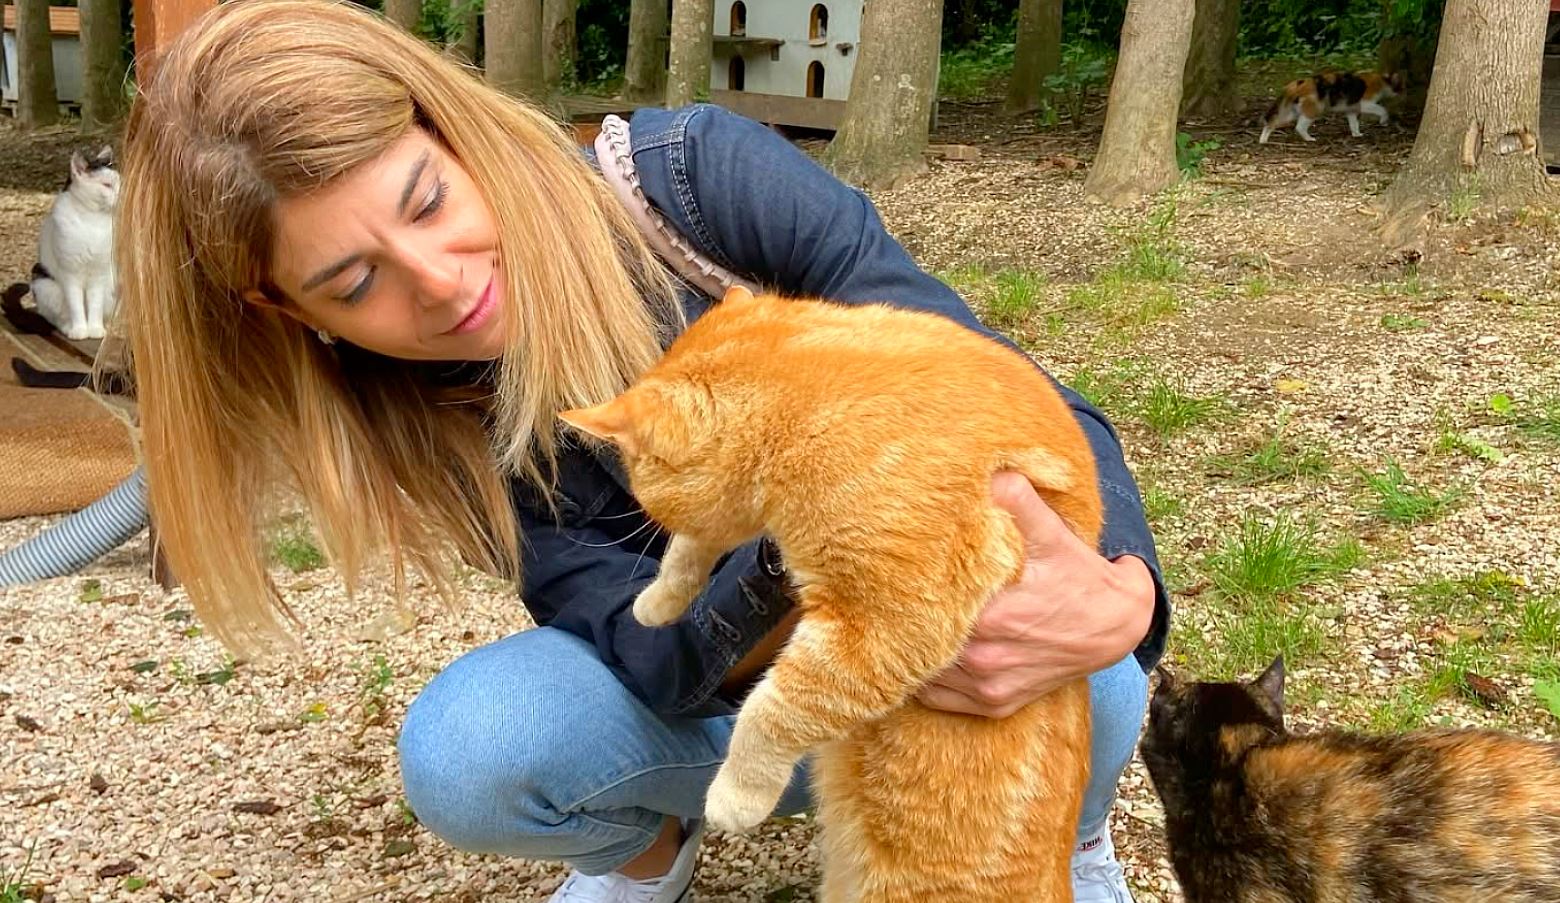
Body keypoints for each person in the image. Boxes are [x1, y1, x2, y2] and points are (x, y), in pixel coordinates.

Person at [118, 2, 1171, 901]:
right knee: (474, 751)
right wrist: (811, 541)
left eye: (429, 201)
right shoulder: (415, 407)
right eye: (356, 284)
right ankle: (652, 848)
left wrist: (1123, 592)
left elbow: (1009, 388)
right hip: (732, 690)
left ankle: (1068, 832)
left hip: (921, 656)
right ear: (289, 310)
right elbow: (642, 646)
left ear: (454, 132)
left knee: (1097, 661)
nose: (440, 281)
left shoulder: (693, 182)